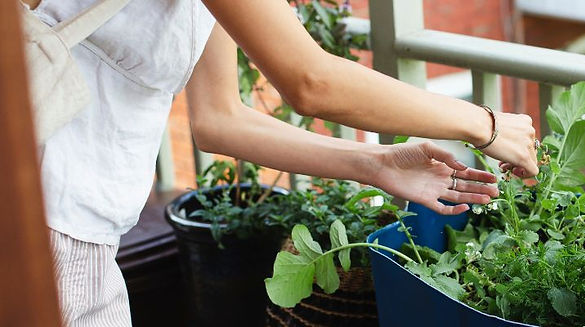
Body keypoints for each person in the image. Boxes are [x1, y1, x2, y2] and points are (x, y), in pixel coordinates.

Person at [22, 0, 539, 325]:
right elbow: (310, 81)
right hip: (42, 220)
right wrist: (484, 124)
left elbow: (220, 118)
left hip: (71, 224)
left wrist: (378, 162)